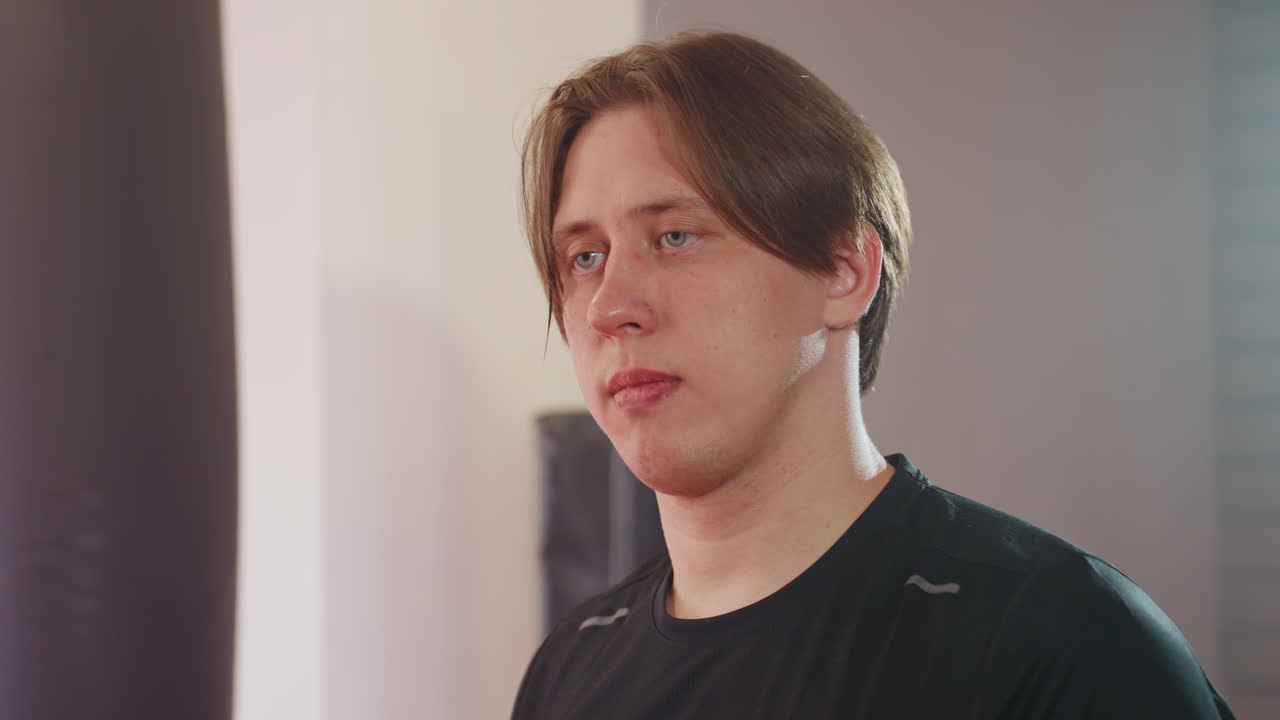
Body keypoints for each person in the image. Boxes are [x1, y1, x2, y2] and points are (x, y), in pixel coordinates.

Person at [512, 31, 1234, 719]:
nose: (611, 306)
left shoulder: (1056, 639)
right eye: (585, 257)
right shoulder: (570, 672)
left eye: (675, 237)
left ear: (844, 271)